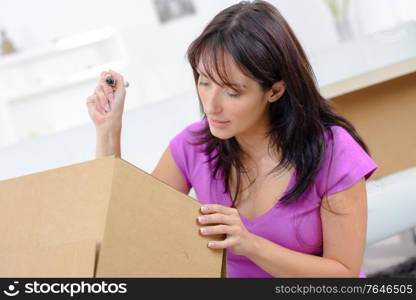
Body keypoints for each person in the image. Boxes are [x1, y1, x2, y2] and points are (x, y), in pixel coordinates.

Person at [86, 0, 378, 278]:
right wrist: (108, 131)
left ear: (274, 91)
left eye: (232, 92)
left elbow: (344, 272)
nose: (211, 105)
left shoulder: (333, 151)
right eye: (204, 81)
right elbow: (128, 224)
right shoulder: (194, 146)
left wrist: (251, 245)